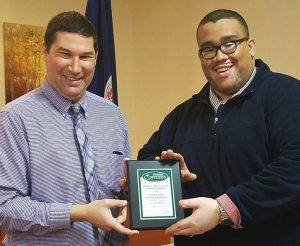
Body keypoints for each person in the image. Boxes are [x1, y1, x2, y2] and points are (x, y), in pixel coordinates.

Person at [134, 9, 300, 246]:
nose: (220, 56)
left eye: (229, 44)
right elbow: (147, 158)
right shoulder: (181, 115)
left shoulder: (288, 95)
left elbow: (293, 169)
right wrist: (169, 175)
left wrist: (223, 209)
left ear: (250, 46)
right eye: (208, 49)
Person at [0, 11, 138, 246]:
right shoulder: (14, 118)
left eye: (85, 56)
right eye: (65, 54)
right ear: (44, 51)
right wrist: (78, 213)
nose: (75, 68)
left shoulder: (112, 115)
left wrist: (151, 183)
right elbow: (5, 207)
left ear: (96, 56)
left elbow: (120, 192)